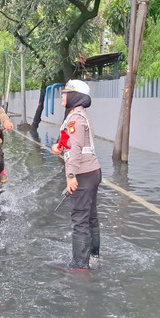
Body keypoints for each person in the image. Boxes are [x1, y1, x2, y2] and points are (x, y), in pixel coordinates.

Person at [51, 80, 102, 271]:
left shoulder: (75, 118)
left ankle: (80, 266)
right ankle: (94, 257)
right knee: (91, 218)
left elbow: (77, 149)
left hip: (83, 173)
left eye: (66, 93)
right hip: (91, 171)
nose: (62, 96)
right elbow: (73, 144)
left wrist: (70, 175)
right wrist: (60, 147)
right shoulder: (78, 115)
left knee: (80, 219)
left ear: (75, 96)